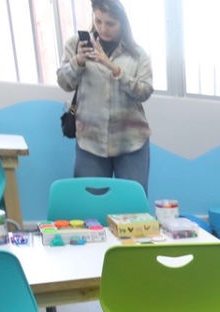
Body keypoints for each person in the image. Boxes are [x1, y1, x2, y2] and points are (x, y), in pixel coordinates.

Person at [57, 0, 154, 193]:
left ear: (123, 24)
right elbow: (64, 83)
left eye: (110, 24)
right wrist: (78, 61)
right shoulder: (76, 45)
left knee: (132, 206)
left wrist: (114, 69)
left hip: (131, 141)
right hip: (90, 141)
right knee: (92, 206)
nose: (103, 28)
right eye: (99, 21)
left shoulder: (137, 54)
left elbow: (144, 91)